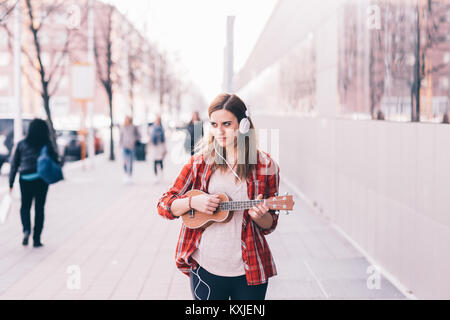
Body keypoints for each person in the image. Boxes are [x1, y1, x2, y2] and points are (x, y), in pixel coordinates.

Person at [157, 93, 280, 300]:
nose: (219, 131)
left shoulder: (265, 165)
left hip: (249, 270)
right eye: (214, 124)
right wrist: (193, 201)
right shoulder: (199, 163)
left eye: (226, 124)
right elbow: (163, 205)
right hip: (205, 268)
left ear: (243, 125)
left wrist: (260, 216)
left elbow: (270, 224)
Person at [9, 119, 61, 247]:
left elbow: (14, 165)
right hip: (41, 179)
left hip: (25, 178)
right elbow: (56, 160)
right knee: (39, 208)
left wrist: (10, 183)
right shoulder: (47, 144)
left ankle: (26, 230)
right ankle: (36, 238)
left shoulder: (21, 144)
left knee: (25, 206)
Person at [119, 116, 141, 183]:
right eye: (126, 119)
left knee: (131, 162)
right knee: (125, 161)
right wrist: (120, 145)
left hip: (132, 146)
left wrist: (135, 140)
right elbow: (121, 136)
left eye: (128, 119)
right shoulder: (122, 127)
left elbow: (138, 135)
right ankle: (125, 174)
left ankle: (130, 175)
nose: (127, 120)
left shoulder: (134, 127)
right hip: (125, 146)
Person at [148, 115, 167, 183]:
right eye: (156, 120)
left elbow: (164, 139)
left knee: (160, 161)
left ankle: (161, 173)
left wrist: (165, 149)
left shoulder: (162, 128)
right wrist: (147, 148)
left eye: (158, 120)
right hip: (154, 147)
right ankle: (155, 176)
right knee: (155, 161)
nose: (157, 121)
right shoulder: (151, 128)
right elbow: (149, 139)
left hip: (160, 146)